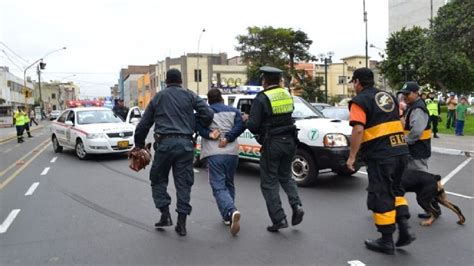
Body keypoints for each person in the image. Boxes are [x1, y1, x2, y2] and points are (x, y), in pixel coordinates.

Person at [133, 69, 213, 236]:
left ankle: (165, 214)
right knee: (183, 183)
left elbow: (143, 125)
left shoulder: (158, 97)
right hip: (185, 145)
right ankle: (182, 224)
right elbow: (208, 113)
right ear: (181, 80)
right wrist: (194, 122)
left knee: (158, 179)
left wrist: (139, 145)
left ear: (167, 81)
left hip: (165, 145)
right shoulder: (190, 95)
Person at [346, 68, 415, 255]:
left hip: (381, 156)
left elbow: (358, 130)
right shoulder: (388, 96)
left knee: (381, 194)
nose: (354, 85)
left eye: (354, 82)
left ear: (358, 82)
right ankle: (405, 228)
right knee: (396, 189)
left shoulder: (359, 101)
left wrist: (352, 156)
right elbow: (399, 122)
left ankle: (386, 241)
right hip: (400, 150)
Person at [245, 66, 304, 233]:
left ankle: (279, 219)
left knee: (269, 182)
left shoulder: (262, 98)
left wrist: (246, 119)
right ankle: (296, 204)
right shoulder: (287, 95)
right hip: (290, 141)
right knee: (286, 176)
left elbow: (254, 126)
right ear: (279, 81)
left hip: (273, 144)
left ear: (264, 81)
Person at [196, 88, 245, 236]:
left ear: (209, 101)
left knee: (218, 185)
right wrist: (228, 137)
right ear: (222, 98)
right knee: (229, 183)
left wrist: (210, 134)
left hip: (214, 153)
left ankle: (231, 211)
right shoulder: (234, 111)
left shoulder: (206, 112)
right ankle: (228, 217)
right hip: (232, 153)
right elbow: (241, 126)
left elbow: (197, 127)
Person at [399, 82, 431, 172]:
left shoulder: (418, 109)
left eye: (407, 94)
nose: (405, 96)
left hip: (418, 151)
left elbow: (416, 131)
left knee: (418, 178)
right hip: (414, 150)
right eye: (403, 94)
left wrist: (403, 141)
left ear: (416, 93)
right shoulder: (412, 106)